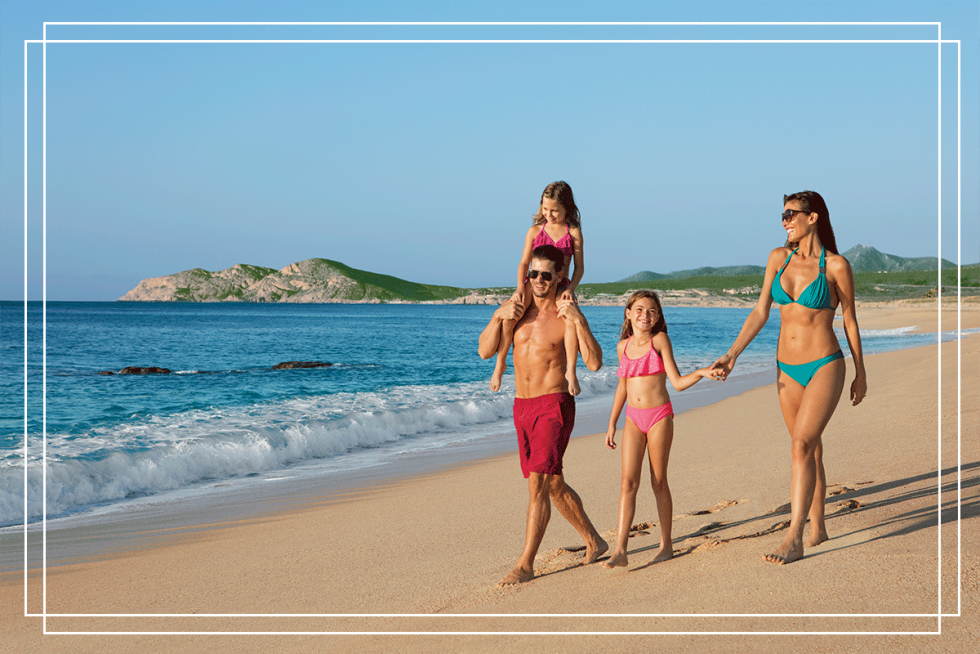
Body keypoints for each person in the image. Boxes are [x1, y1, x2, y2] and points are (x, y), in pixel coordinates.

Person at [712, 190, 867, 565]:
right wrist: (732, 354)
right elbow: (760, 311)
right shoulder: (777, 259)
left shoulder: (836, 266)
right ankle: (819, 526)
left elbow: (849, 319)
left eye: (791, 213)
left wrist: (861, 371)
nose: (785, 220)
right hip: (785, 368)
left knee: (800, 444)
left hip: (824, 364)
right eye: (782, 215)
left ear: (813, 217)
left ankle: (794, 536)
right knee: (809, 447)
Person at [478, 244, 607, 586]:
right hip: (522, 406)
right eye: (532, 273)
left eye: (545, 275)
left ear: (560, 276)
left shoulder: (567, 315)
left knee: (539, 483)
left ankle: (525, 564)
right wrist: (497, 316)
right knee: (553, 484)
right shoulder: (518, 311)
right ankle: (595, 540)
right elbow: (484, 350)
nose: (537, 280)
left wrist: (580, 320)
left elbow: (594, 362)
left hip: (554, 404)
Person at [603, 290, 719, 569]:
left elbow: (677, 383)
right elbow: (622, 387)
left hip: (659, 417)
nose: (645, 315)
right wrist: (611, 423)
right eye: (639, 310)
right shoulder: (622, 347)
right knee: (627, 483)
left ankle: (666, 545)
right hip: (632, 418)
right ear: (628, 313)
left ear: (658, 317)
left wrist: (702, 372)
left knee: (658, 480)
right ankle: (620, 550)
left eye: (652, 311)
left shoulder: (660, 340)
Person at [490, 181, 585, 396]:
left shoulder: (573, 232)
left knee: (569, 319)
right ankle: (500, 364)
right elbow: (523, 263)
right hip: (533, 283)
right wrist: (519, 289)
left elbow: (579, 267)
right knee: (510, 316)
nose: (549, 215)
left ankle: (571, 370)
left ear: (567, 208)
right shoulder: (534, 231)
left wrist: (571, 288)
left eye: (555, 211)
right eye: (545, 209)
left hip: (560, 285)